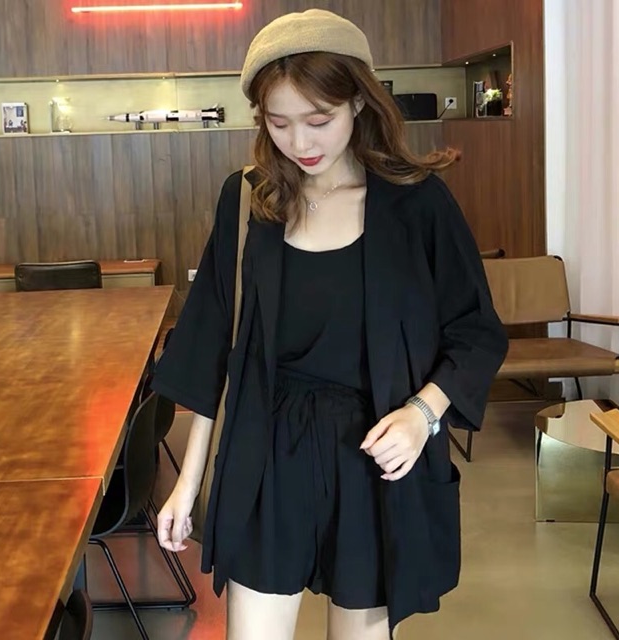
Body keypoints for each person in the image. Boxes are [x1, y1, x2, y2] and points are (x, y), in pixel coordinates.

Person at [153, 9, 508, 640]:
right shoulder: (249, 200)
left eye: (319, 119)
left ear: (359, 103)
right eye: (279, 122)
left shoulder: (416, 203)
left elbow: (476, 331)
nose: (300, 141)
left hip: (372, 458)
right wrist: (188, 482)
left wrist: (422, 415)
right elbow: (210, 346)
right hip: (265, 454)